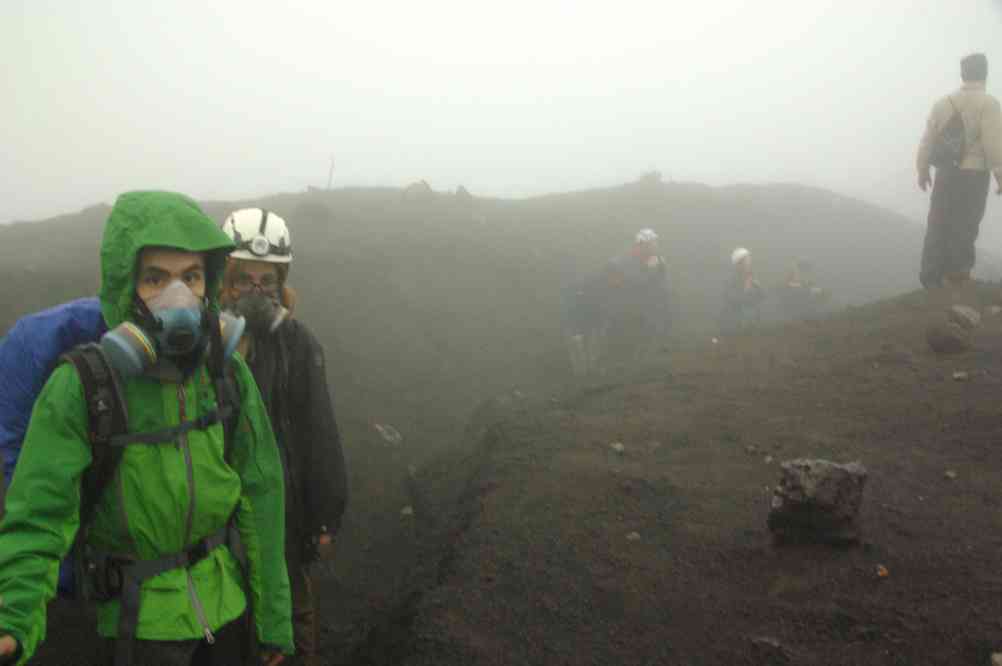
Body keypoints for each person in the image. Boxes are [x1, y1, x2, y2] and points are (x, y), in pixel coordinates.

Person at [0, 191, 293, 665]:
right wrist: (11, 621)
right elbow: (39, 512)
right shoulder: (81, 385)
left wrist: (273, 622)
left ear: (209, 285)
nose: (177, 296)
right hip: (137, 628)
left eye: (191, 277)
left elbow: (262, 496)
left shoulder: (226, 374)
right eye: (155, 278)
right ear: (125, 286)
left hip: (228, 612)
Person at [220, 208, 348, 666]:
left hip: (287, 530)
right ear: (224, 281)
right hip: (219, 532)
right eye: (244, 279)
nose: (256, 291)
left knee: (291, 635)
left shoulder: (298, 345)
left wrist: (324, 519)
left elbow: (319, 433)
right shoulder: (202, 348)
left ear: (281, 282)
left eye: (267, 279)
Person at [916, 52, 1002, 290]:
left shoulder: (943, 103)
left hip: (946, 172)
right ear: (985, 73)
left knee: (938, 221)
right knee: (966, 223)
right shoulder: (989, 104)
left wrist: (922, 170)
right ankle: (957, 274)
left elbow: (927, 141)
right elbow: (994, 144)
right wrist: (1000, 175)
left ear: (962, 74)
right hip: (974, 175)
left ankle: (931, 276)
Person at [719, 247, 765, 336]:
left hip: (753, 323)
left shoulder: (752, 277)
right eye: (747, 260)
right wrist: (746, 289)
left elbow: (762, 296)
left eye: (749, 259)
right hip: (736, 325)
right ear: (739, 263)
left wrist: (757, 288)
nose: (749, 262)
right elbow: (732, 300)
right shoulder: (731, 281)